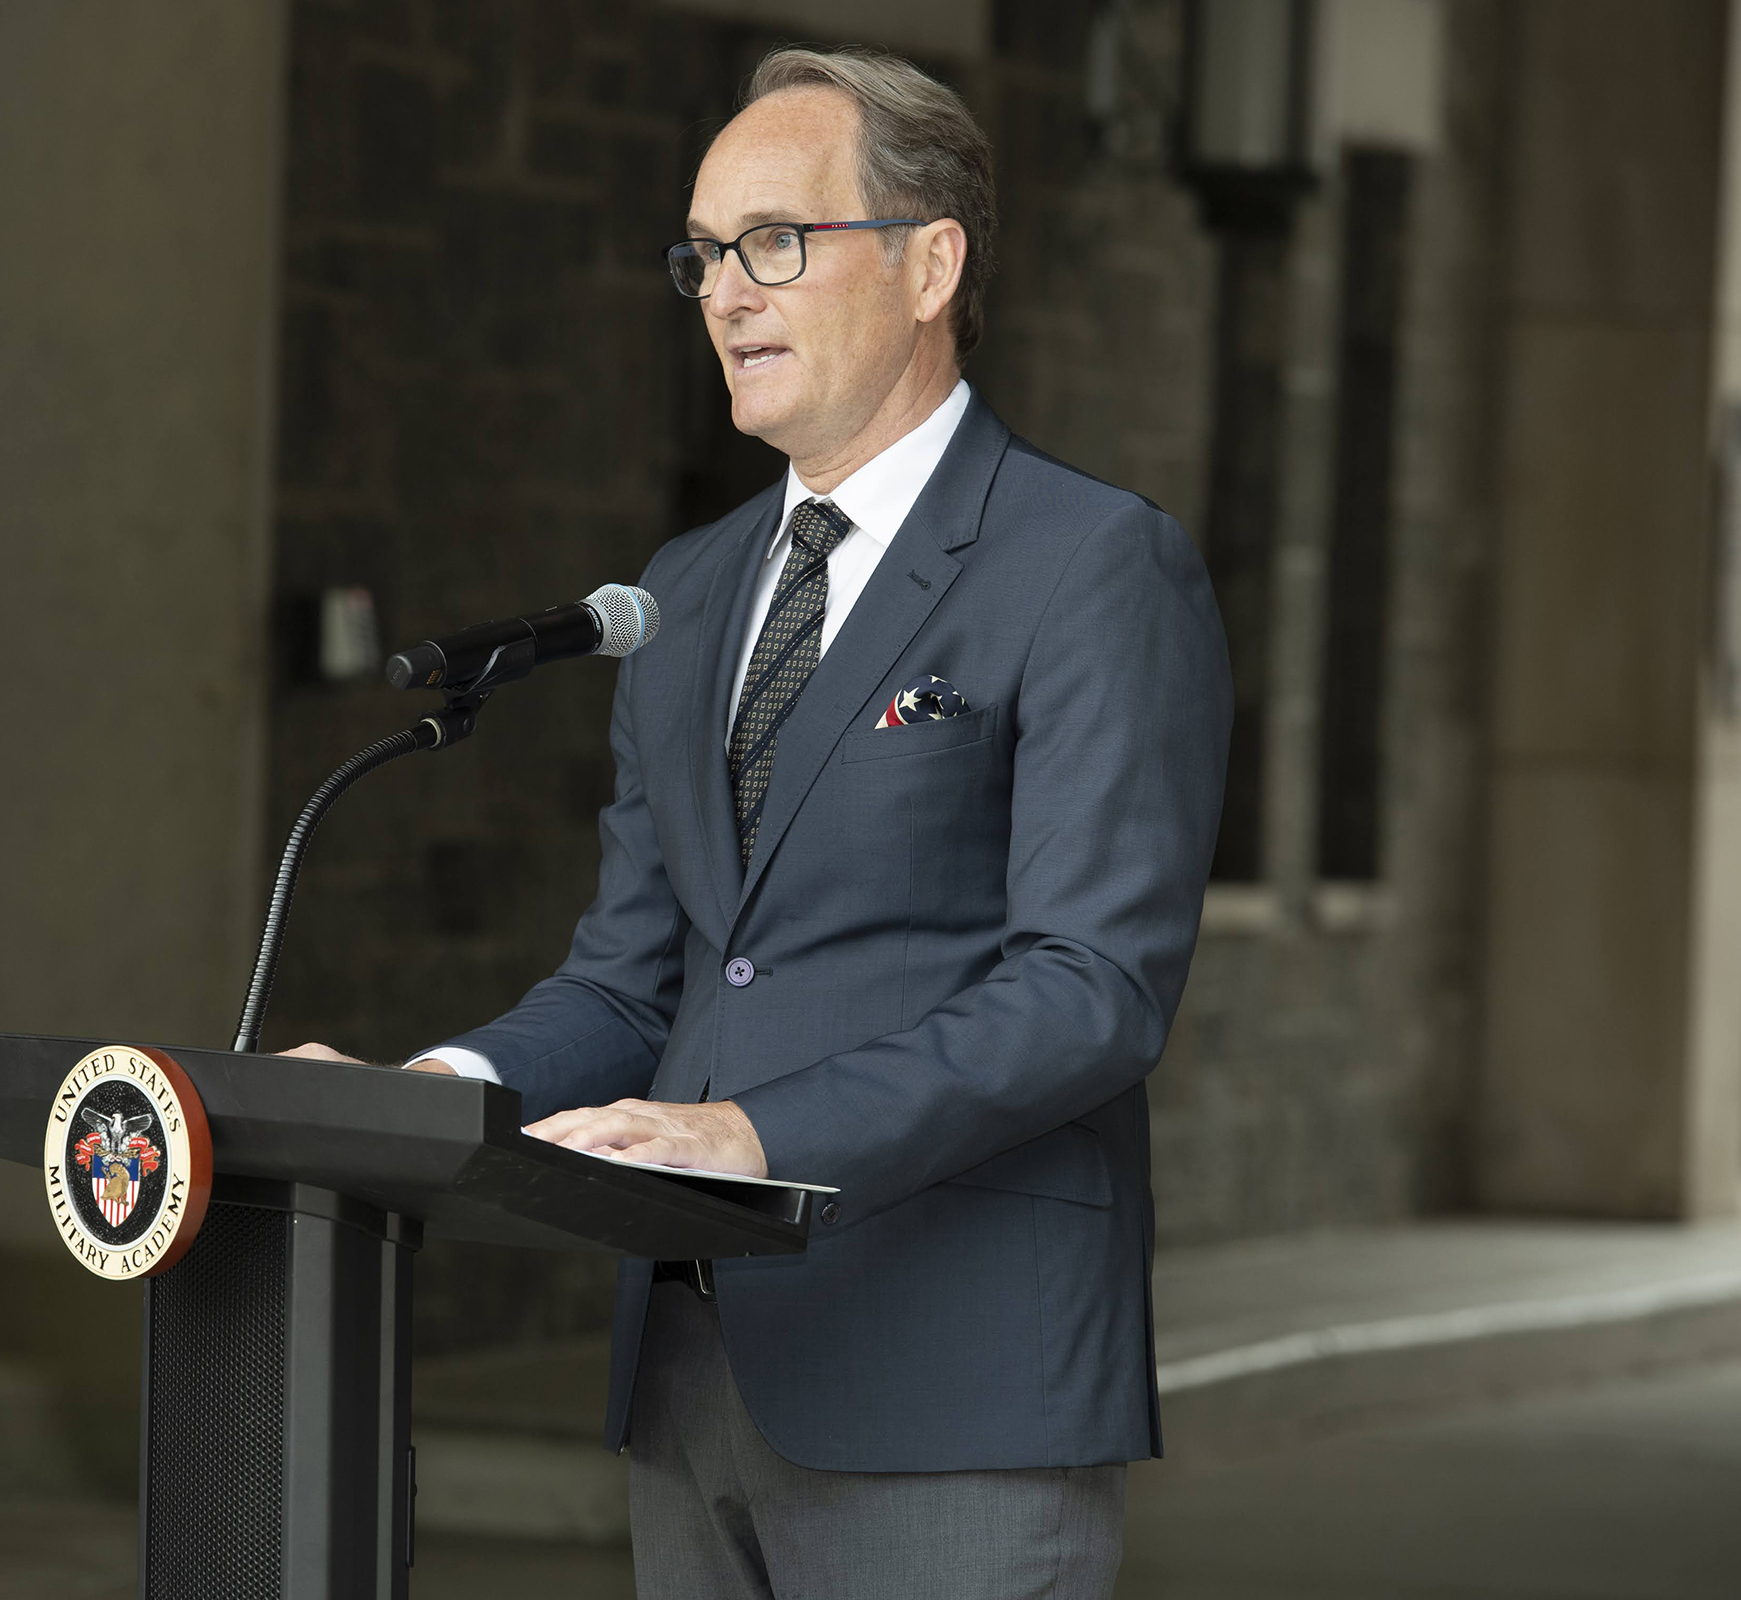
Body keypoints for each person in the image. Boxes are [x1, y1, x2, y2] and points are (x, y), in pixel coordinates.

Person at [290, 44, 1230, 1600]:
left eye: (775, 242)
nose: (726, 293)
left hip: (951, 1384)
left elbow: (1092, 990)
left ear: (932, 266)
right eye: (705, 254)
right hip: (690, 1386)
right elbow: (634, 982)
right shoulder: (689, 588)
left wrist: (750, 1137)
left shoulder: (1089, 564)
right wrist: (434, 1096)